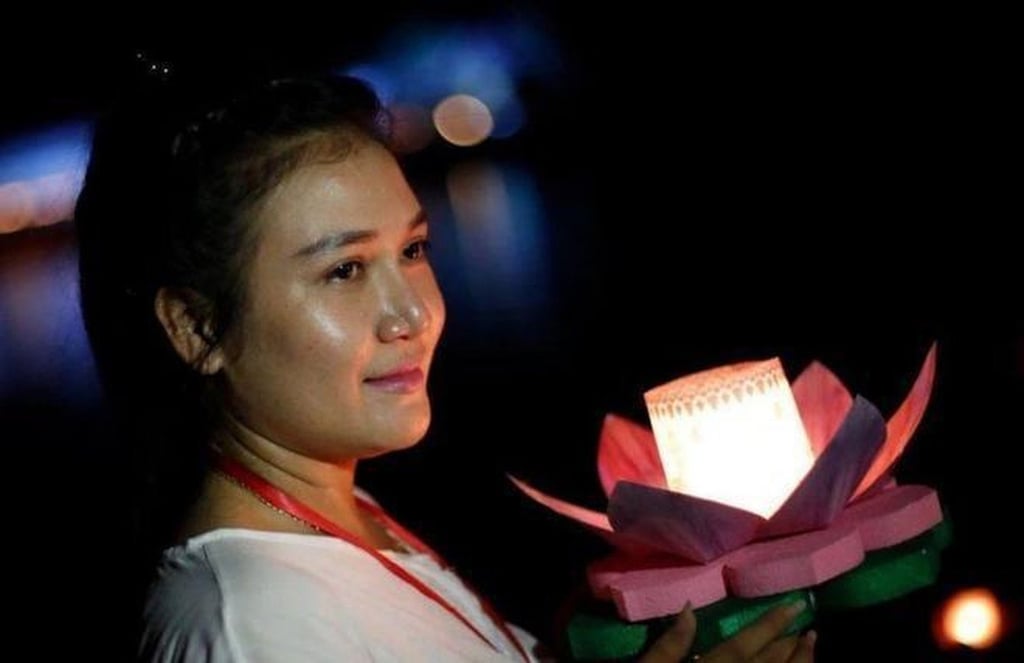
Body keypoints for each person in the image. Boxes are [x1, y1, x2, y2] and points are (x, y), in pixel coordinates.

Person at [74, 55, 815, 661]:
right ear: (196, 327)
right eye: (344, 270)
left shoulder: (343, 514)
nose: (414, 313)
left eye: (414, 249)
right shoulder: (253, 622)